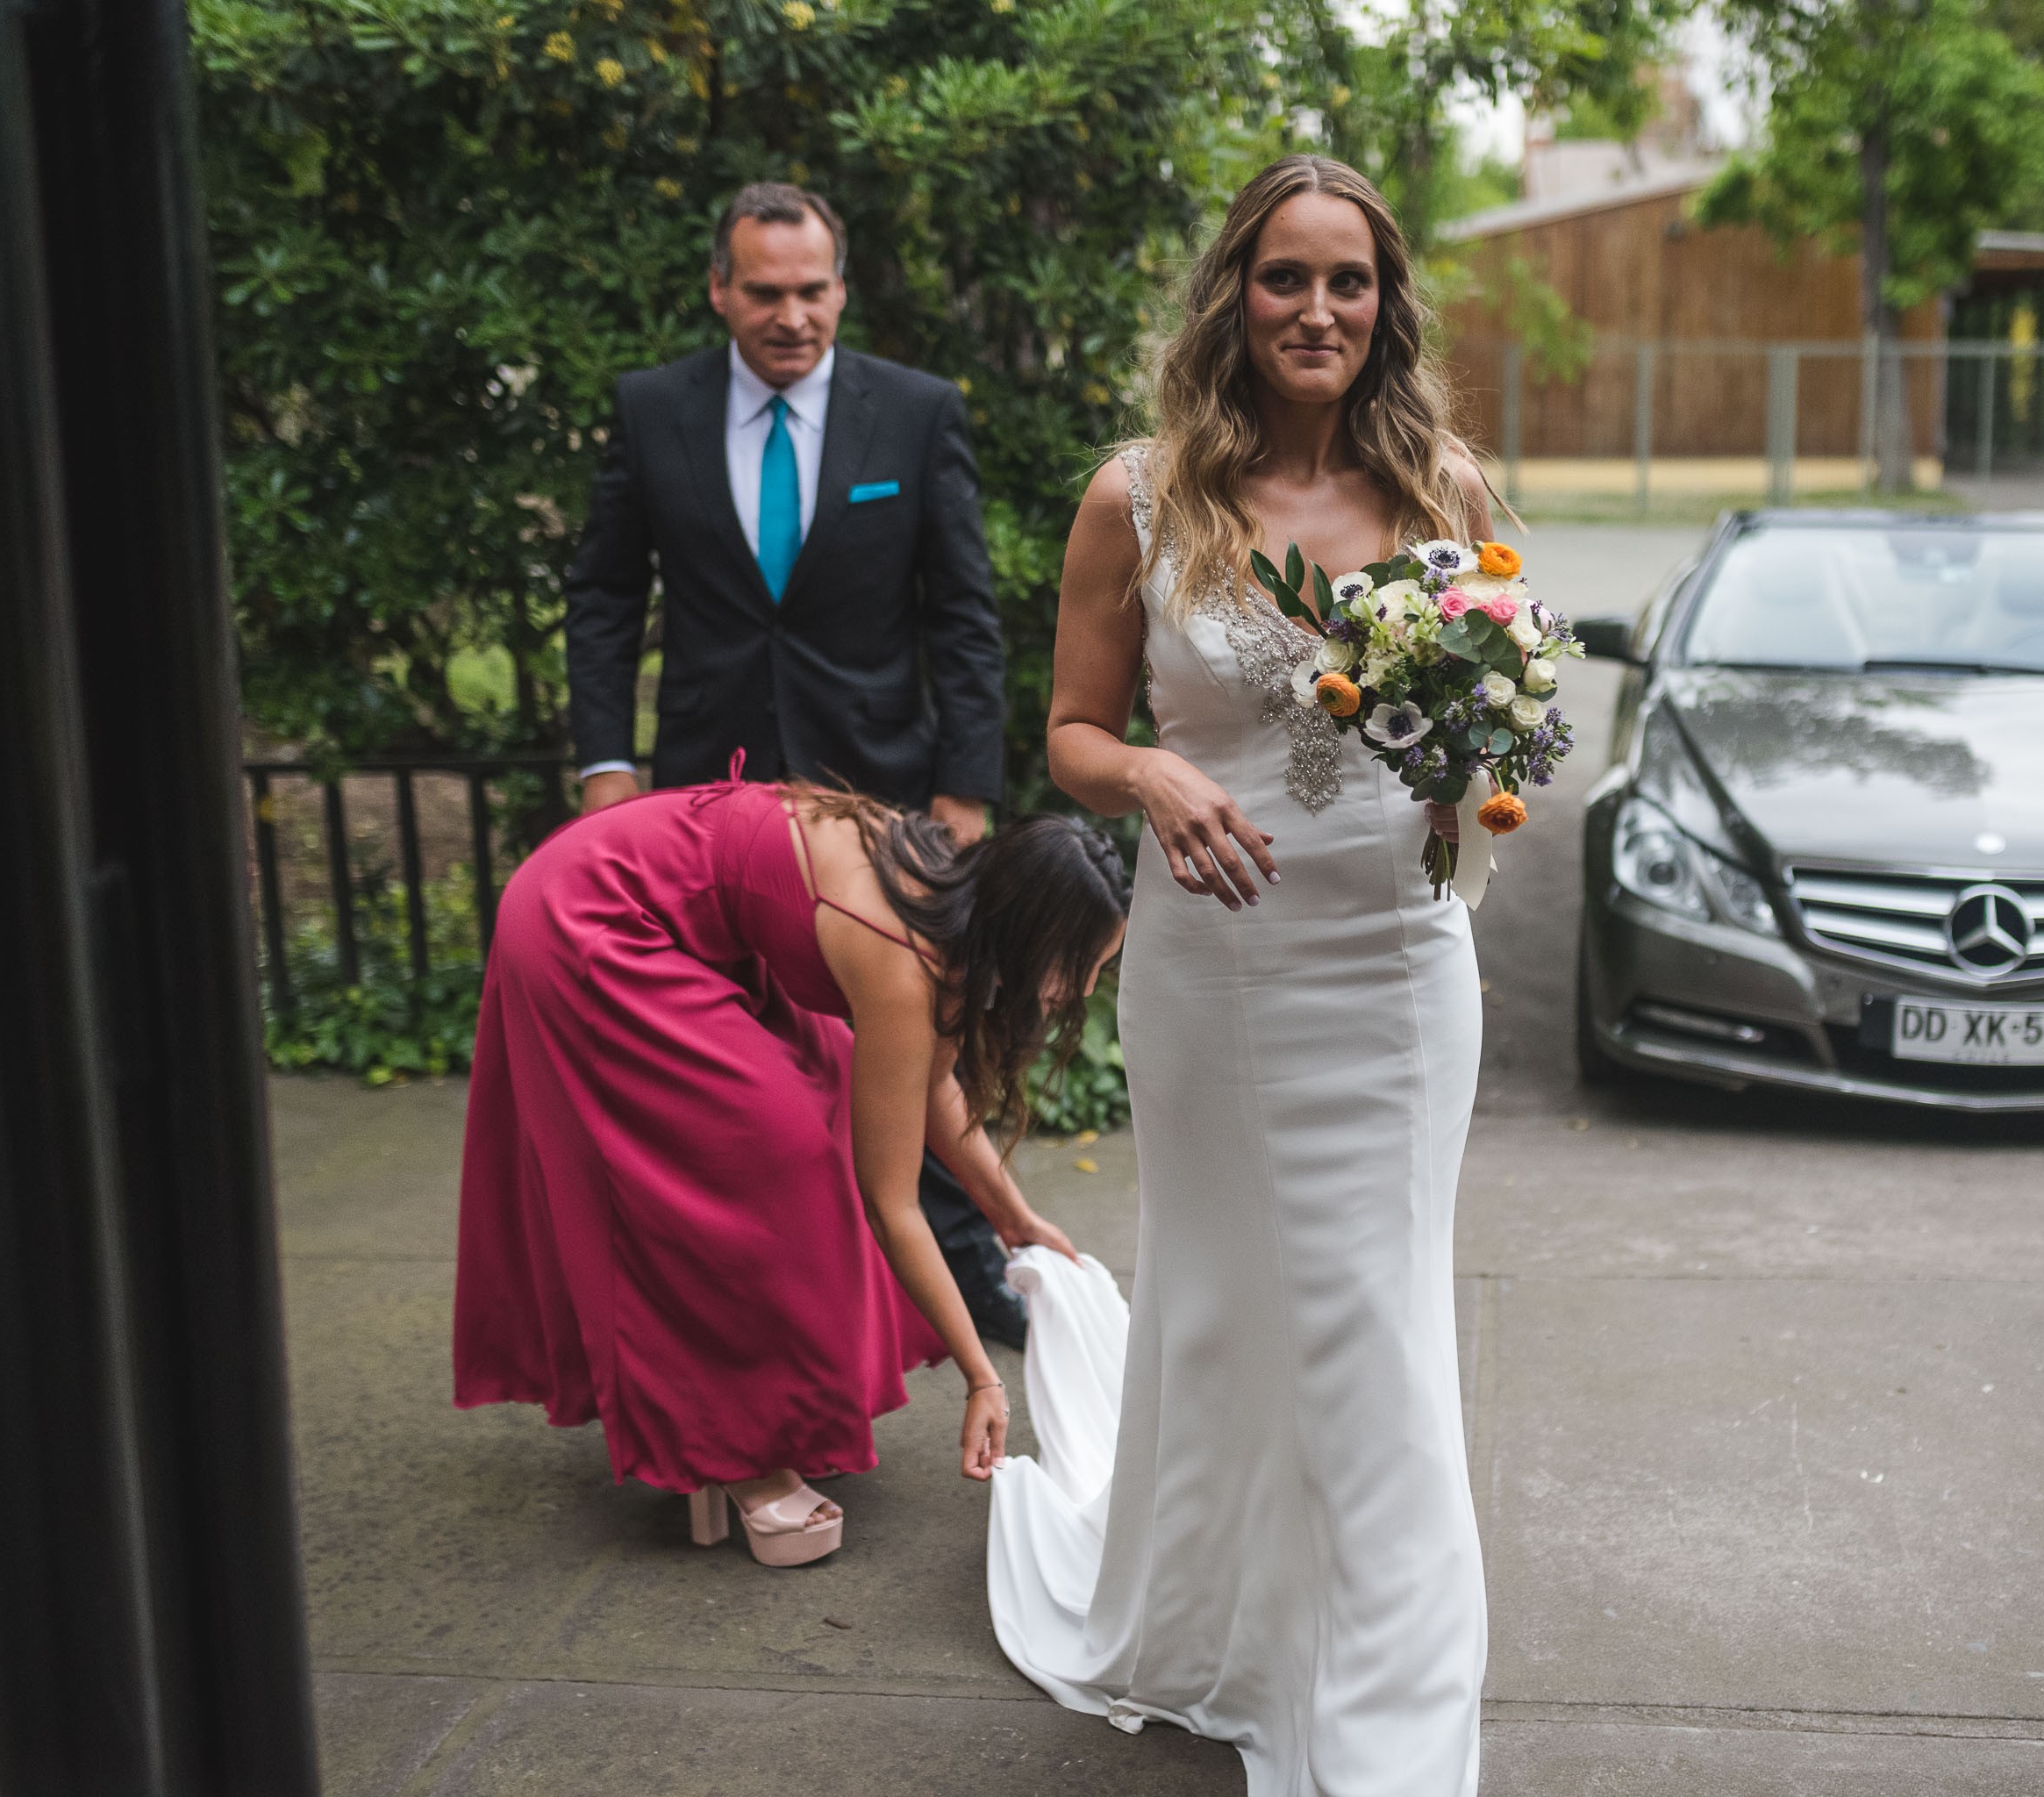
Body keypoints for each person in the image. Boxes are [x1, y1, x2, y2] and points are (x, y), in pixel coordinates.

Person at [990, 154, 1488, 1793]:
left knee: (1374, 1319)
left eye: (1348, 282)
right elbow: (1067, 732)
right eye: (1286, 278)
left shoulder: (1444, 496)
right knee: (1223, 1310)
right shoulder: (1138, 496)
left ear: (1383, 306)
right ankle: (1219, 1620)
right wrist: (1148, 775)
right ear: (1234, 294)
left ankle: (1389, 1725)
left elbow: (1498, 749)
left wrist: (1478, 775)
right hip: (1213, 977)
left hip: (1404, 970)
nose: (1318, 311)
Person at [561, 181, 1029, 1345]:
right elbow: (607, 595)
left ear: (841, 287)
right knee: (736, 1060)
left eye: (811, 290)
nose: (790, 315)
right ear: (720, 290)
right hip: (705, 796)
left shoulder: (914, 415)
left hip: (880, 789)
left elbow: (964, 615)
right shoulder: (652, 409)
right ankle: (766, 1295)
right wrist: (606, 766)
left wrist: (964, 795)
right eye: (763, 292)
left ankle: (959, 1275)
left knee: (914, 1035)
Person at [452, 770, 1125, 1564]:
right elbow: (892, 1205)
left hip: (686, 926)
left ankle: (776, 1403)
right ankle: (741, 1456)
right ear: (1028, 934)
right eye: (1076, 966)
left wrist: (1014, 1219)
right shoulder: (900, 956)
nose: (1079, 988)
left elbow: (932, 1086)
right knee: (773, 1158)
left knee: (827, 1097)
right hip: (590, 919)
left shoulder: (952, 901)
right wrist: (983, 1376)